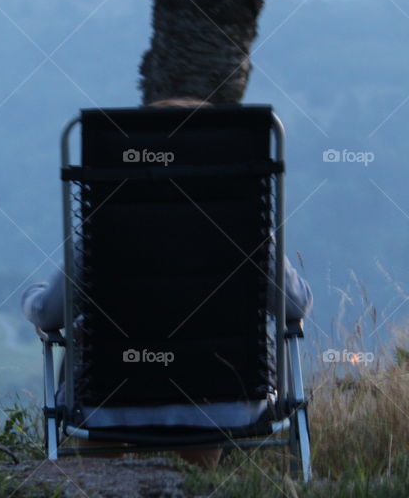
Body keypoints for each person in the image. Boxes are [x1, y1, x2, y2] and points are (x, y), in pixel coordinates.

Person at [23, 98, 314, 469]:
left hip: (111, 404)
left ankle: (102, 484)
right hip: (224, 402)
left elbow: (50, 314)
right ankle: (197, 485)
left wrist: (29, 299)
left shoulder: (104, 231)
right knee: (204, 404)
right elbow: (294, 307)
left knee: (91, 381)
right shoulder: (248, 233)